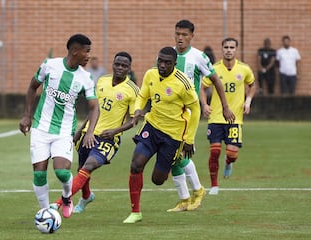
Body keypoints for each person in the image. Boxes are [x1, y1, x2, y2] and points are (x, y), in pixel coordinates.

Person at [19, 34, 99, 218]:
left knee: (62, 172)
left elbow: (94, 108)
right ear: (74, 51)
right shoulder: (50, 65)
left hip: (64, 131)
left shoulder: (85, 78)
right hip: (40, 128)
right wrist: (26, 116)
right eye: (86, 52)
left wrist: (90, 132)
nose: (88, 56)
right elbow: (32, 87)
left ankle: (66, 197)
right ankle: (46, 212)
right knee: (39, 174)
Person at [50, 51, 139, 213]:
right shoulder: (102, 80)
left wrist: (115, 131)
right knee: (82, 170)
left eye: (124, 66)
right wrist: (81, 129)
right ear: (112, 64)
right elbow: (94, 109)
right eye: (117, 64)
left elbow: (134, 120)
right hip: (88, 133)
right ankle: (86, 197)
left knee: (89, 166)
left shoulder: (132, 89)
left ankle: (59, 203)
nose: (120, 68)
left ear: (129, 69)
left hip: (109, 139)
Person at [122, 46, 201, 224]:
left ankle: (195, 186)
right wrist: (137, 111)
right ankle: (135, 212)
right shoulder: (150, 74)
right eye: (160, 61)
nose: (162, 65)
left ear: (174, 64)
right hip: (152, 127)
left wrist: (189, 138)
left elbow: (195, 110)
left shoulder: (183, 83)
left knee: (158, 179)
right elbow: (143, 95)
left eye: (167, 62)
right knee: (136, 165)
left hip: (173, 135)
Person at [167, 19, 235, 212]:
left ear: (191, 36)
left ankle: (197, 189)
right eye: (177, 34)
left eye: (184, 35)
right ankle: (185, 199)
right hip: (167, 114)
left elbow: (216, 81)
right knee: (171, 155)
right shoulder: (167, 55)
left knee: (176, 153)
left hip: (188, 114)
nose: (180, 38)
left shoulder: (199, 57)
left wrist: (225, 106)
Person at [199, 37, 256, 195]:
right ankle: (214, 186)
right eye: (226, 47)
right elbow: (202, 88)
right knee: (215, 151)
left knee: (232, 154)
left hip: (235, 118)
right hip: (216, 117)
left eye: (232, 47)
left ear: (236, 50)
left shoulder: (244, 69)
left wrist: (248, 101)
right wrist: (205, 104)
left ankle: (228, 163)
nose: (229, 50)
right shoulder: (214, 69)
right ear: (222, 49)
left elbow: (252, 85)